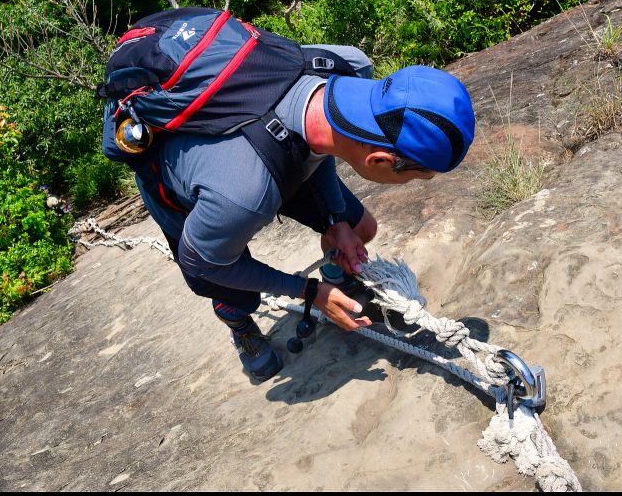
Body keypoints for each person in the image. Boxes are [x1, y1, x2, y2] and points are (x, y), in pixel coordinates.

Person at [130, 47, 475, 383]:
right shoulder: (244, 196)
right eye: (418, 175)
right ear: (380, 161)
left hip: (267, 145)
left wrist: (335, 221)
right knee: (233, 288)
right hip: (185, 183)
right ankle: (239, 324)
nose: (415, 183)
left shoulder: (348, 67)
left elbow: (320, 143)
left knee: (360, 227)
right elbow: (202, 261)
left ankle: (336, 276)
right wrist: (308, 291)